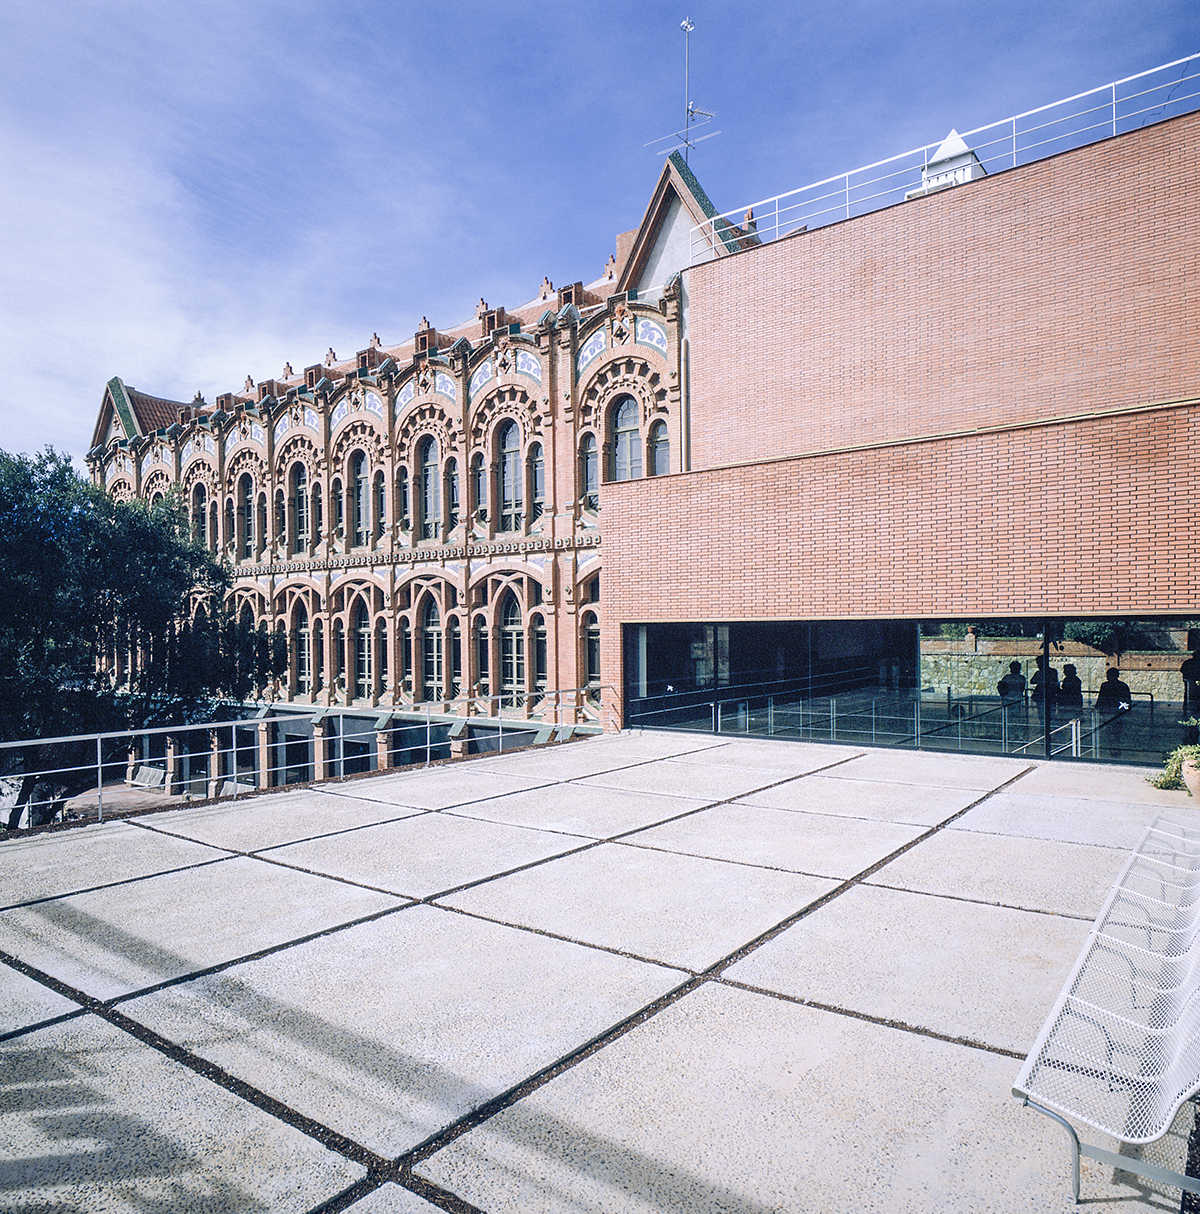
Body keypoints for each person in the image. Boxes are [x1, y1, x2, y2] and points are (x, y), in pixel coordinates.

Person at [1096, 667, 1133, 756]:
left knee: (1110, 731)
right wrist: (1127, 710)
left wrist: (1098, 708)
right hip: (1118, 712)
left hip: (1109, 711)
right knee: (1117, 732)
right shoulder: (1123, 685)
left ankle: (1112, 748)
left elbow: (1101, 698)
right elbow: (1127, 699)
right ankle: (1115, 748)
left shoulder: (1105, 685)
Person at [1030, 655, 1060, 727]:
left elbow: (1033, 681)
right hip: (1045, 696)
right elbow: (1032, 681)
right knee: (1044, 714)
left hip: (1047, 695)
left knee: (1046, 714)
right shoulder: (1051, 672)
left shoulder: (1044, 672)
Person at [997, 661, 1026, 731]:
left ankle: (1009, 731)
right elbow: (1022, 688)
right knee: (1017, 717)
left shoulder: (1006, 678)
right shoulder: (1021, 678)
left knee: (1008, 718)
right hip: (1017, 699)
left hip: (1007, 700)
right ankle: (1016, 731)